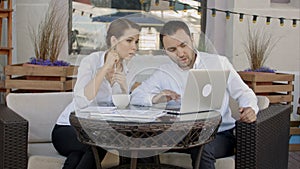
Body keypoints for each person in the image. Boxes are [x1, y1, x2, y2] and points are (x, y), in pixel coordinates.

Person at [130, 20, 259, 169]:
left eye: (183, 45)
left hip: (218, 135)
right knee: (142, 144)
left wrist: (250, 108)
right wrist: (155, 98)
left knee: (201, 147)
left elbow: (244, 92)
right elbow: (136, 96)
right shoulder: (164, 72)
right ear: (165, 50)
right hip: (179, 133)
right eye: (172, 49)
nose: (180, 53)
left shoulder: (218, 63)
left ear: (192, 39)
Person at [52, 18, 141, 169]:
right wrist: (105, 68)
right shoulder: (91, 61)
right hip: (68, 129)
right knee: (97, 144)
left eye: (137, 42)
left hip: (98, 132)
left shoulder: (129, 68)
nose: (134, 47)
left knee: (77, 157)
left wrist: (126, 88)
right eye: (129, 41)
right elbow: (83, 100)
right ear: (114, 40)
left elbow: (126, 111)